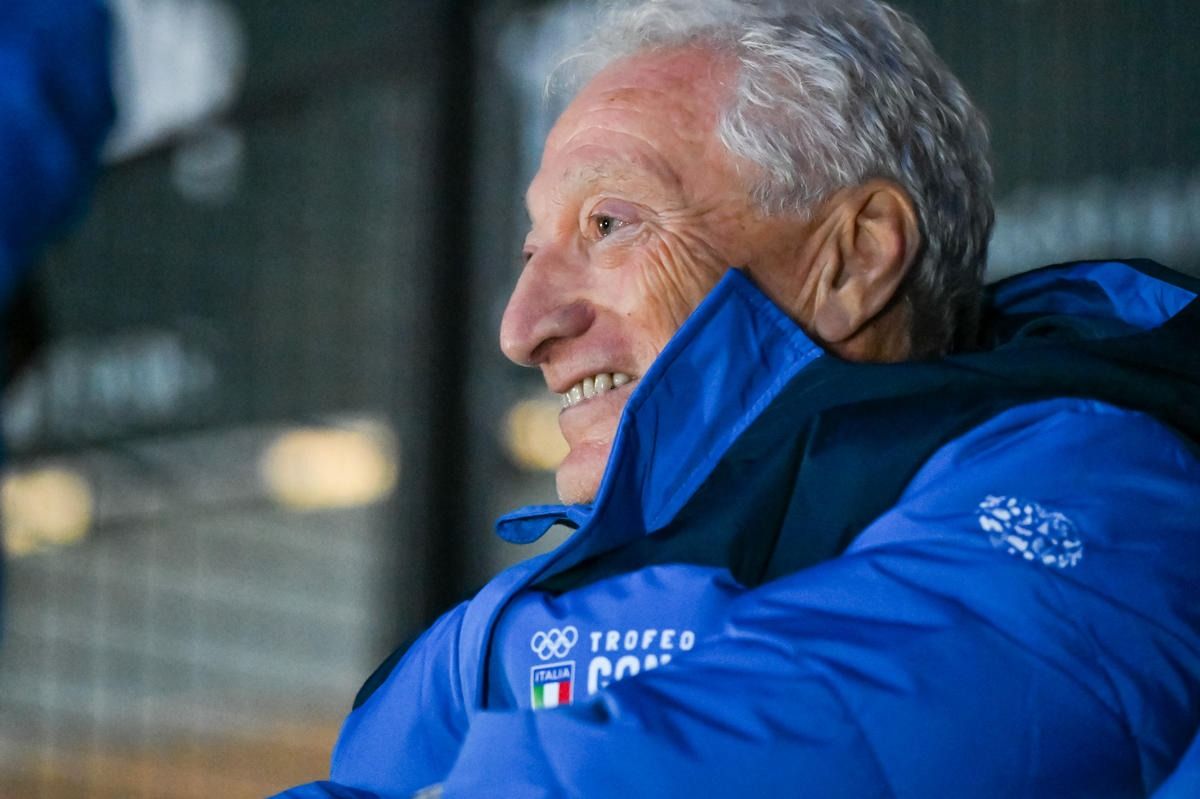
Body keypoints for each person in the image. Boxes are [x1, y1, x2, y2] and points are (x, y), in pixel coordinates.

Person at [278, 1, 1200, 796]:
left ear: (854, 258)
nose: (523, 327)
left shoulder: (1100, 486)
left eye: (610, 224)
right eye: (532, 250)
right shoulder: (499, 622)